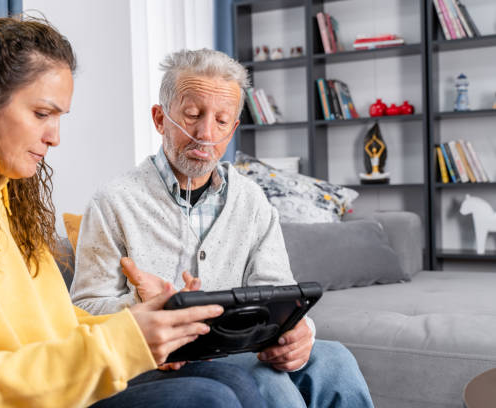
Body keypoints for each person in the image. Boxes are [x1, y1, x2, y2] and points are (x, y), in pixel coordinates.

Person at [0, 18, 268, 408]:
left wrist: (146, 325)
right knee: (210, 399)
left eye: (59, 117)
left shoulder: (3, 196)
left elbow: (56, 326)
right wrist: (124, 342)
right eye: (41, 114)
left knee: (237, 383)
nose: (55, 137)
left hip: (48, 390)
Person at [71, 48, 375, 408]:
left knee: (336, 360)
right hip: (162, 360)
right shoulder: (113, 201)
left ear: (233, 129)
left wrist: (298, 333)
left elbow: (277, 292)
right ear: (159, 118)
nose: (205, 134)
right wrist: (141, 306)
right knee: (268, 384)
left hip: (241, 348)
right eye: (192, 115)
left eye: (221, 121)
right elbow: (84, 311)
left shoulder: (251, 200)